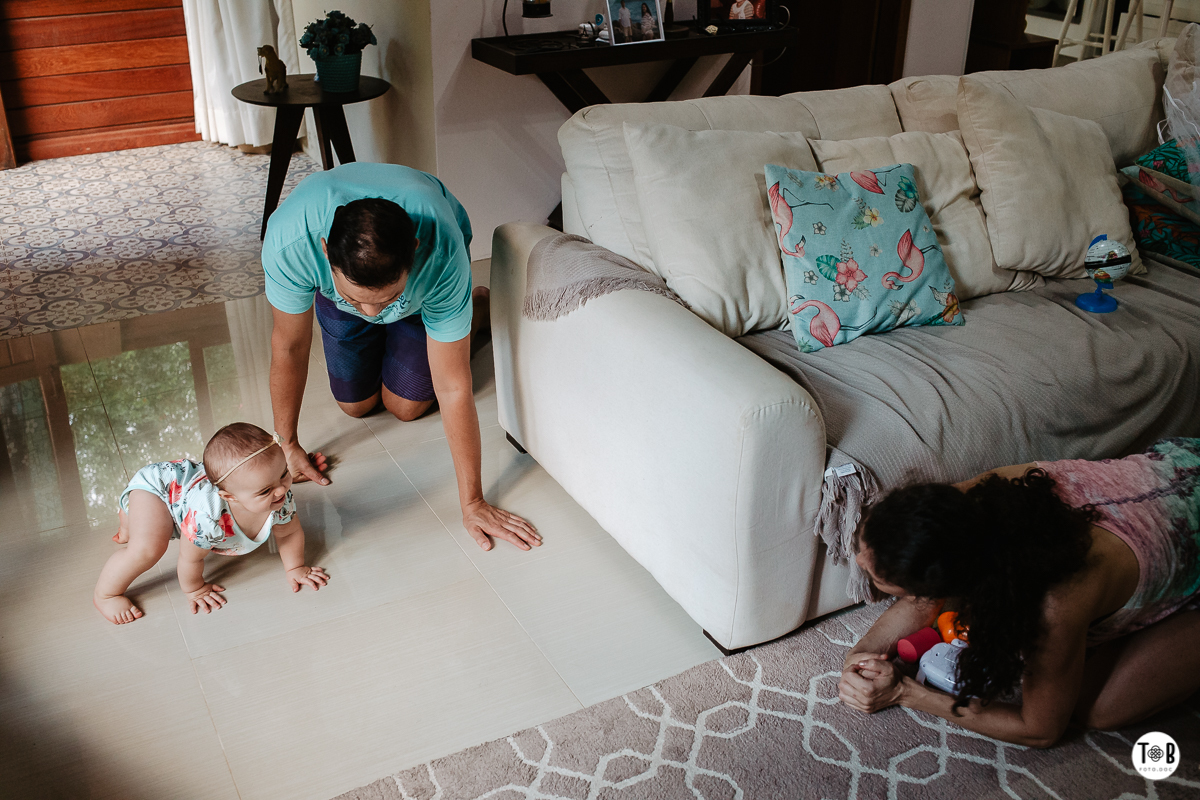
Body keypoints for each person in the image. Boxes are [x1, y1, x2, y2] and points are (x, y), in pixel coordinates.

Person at [837, 438, 1200, 747]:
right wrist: (863, 654)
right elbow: (926, 597)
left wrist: (907, 692)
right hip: (1180, 467)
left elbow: (1040, 729)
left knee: (1095, 708)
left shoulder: (1052, 604)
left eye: (876, 575)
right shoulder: (964, 505)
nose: (857, 558)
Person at [262, 162, 541, 554]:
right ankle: (370, 301)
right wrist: (287, 444)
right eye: (357, 298)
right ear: (325, 251)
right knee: (355, 405)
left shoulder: (441, 248)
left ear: (414, 250)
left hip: (420, 299)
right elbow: (288, 346)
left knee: (405, 406)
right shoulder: (291, 241)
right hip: (357, 287)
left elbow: (454, 385)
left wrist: (473, 502)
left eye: (386, 299)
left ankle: (475, 309)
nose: (371, 313)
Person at [93, 423, 329, 624]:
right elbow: (190, 558)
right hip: (159, 490)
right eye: (266, 490)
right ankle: (106, 594)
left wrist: (295, 568)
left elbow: (289, 534)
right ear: (230, 497)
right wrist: (194, 588)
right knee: (148, 548)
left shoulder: (280, 496)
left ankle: (129, 521)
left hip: (184, 486)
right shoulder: (208, 519)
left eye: (283, 473)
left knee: (148, 528)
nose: (281, 489)